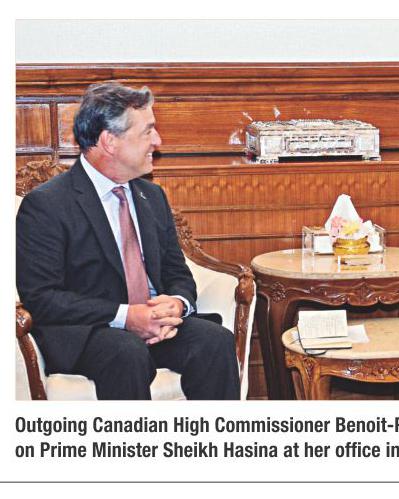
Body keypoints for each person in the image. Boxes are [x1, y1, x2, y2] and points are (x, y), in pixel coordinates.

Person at [16, 81, 239, 400]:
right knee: (126, 352)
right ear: (110, 141)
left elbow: (177, 272)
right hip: (89, 332)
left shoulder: (152, 196)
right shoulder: (47, 205)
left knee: (215, 341)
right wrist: (126, 316)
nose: (157, 141)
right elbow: (42, 297)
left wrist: (177, 303)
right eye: (148, 131)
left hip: (153, 326)